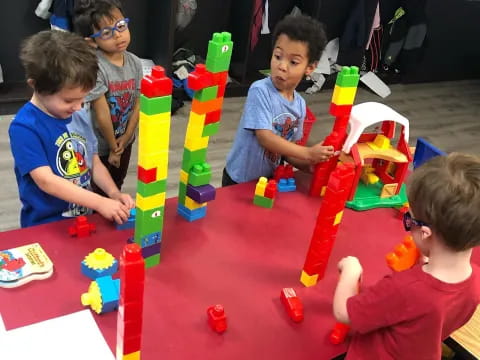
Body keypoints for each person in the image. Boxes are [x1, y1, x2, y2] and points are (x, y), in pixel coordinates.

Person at [333, 153, 480, 359]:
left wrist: (351, 271)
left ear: (425, 232)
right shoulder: (475, 283)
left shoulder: (404, 288)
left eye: (409, 220)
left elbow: (344, 313)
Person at [9, 30, 134, 228]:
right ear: (36, 86)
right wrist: (100, 202)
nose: (79, 106)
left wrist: (113, 193)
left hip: (84, 217)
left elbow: (93, 162)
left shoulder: (78, 112)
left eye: (83, 98)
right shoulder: (24, 127)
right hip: (47, 225)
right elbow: (46, 181)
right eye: (69, 100)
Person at [223, 14, 334, 186]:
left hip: (269, 180)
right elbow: (265, 137)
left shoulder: (300, 106)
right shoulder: (260, 90)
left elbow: (285, 149)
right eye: (277, 56)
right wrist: (308, 153)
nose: (282, 66)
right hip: (239, 180)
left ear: (310, 68)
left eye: (294, 62)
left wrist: (308, 165)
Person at [73, 0, 143, 196]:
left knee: (118, 180)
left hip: (125, 140)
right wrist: (113, 147)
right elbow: (101, 112)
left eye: (120, 26)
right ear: (92, 41)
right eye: (106, 33)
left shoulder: (135, 62)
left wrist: (128, 135)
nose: (118, 35)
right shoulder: (96, 67)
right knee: (98, 187)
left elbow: (139, 101)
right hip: (100, 145)